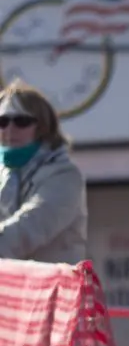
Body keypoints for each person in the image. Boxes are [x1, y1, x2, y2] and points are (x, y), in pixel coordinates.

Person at [0, 79, 87, 263]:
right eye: (2, 121)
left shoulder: (65, 176)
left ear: (42, 127)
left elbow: (29, 228)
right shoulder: (3, 173)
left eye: (21, 121)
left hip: (52, 289)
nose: (9, 129)